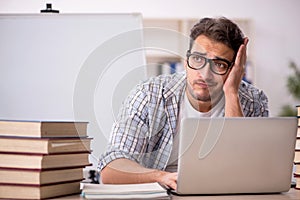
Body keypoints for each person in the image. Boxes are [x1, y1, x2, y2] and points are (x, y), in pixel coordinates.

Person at [98, 17, 269, 190]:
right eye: (197, 59)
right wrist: (162, 177)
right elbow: (111, 169)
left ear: (234, 69)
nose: (205, 74)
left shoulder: (253, 101)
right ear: (185, 61)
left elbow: (248, 170)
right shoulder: (149, 94)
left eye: (219, 64)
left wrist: (232, 93)